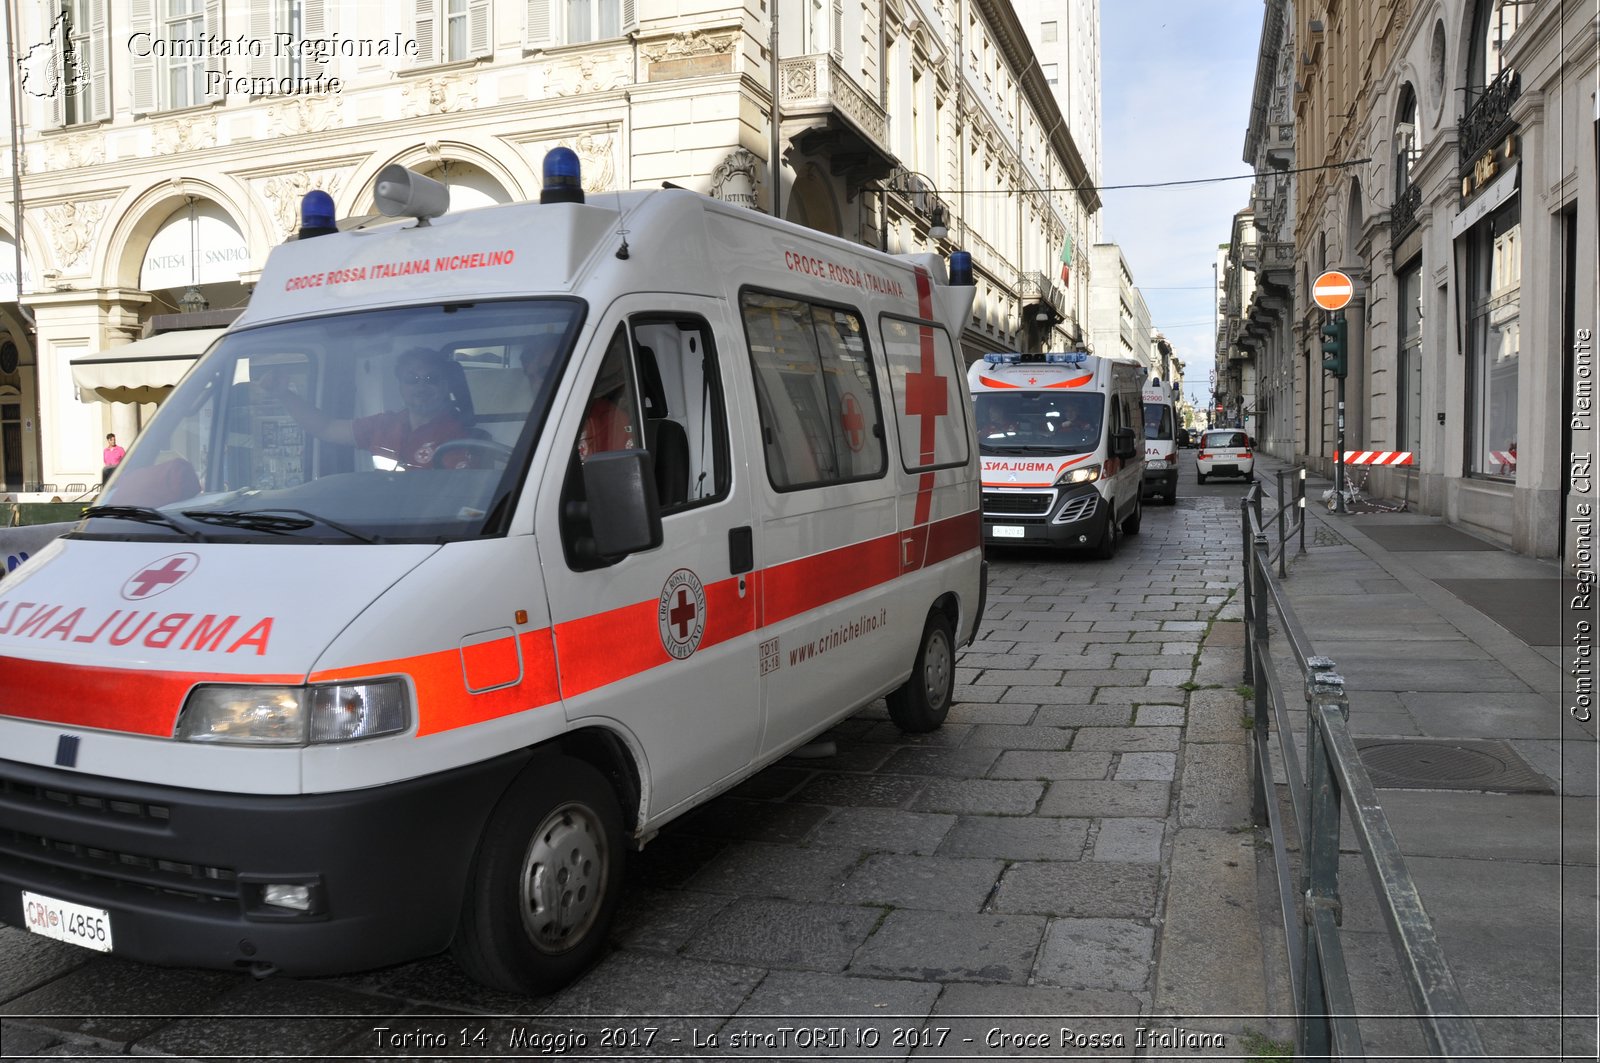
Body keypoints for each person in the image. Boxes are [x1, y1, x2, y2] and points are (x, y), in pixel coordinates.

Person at [260, 347, 478, 469]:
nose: (421, 386)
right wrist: (284, 394)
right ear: (401, 386)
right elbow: (325, 427)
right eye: (412, 378)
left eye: (431, 378)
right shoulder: (383, 425)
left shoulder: (461, 435)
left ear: (445, 385)